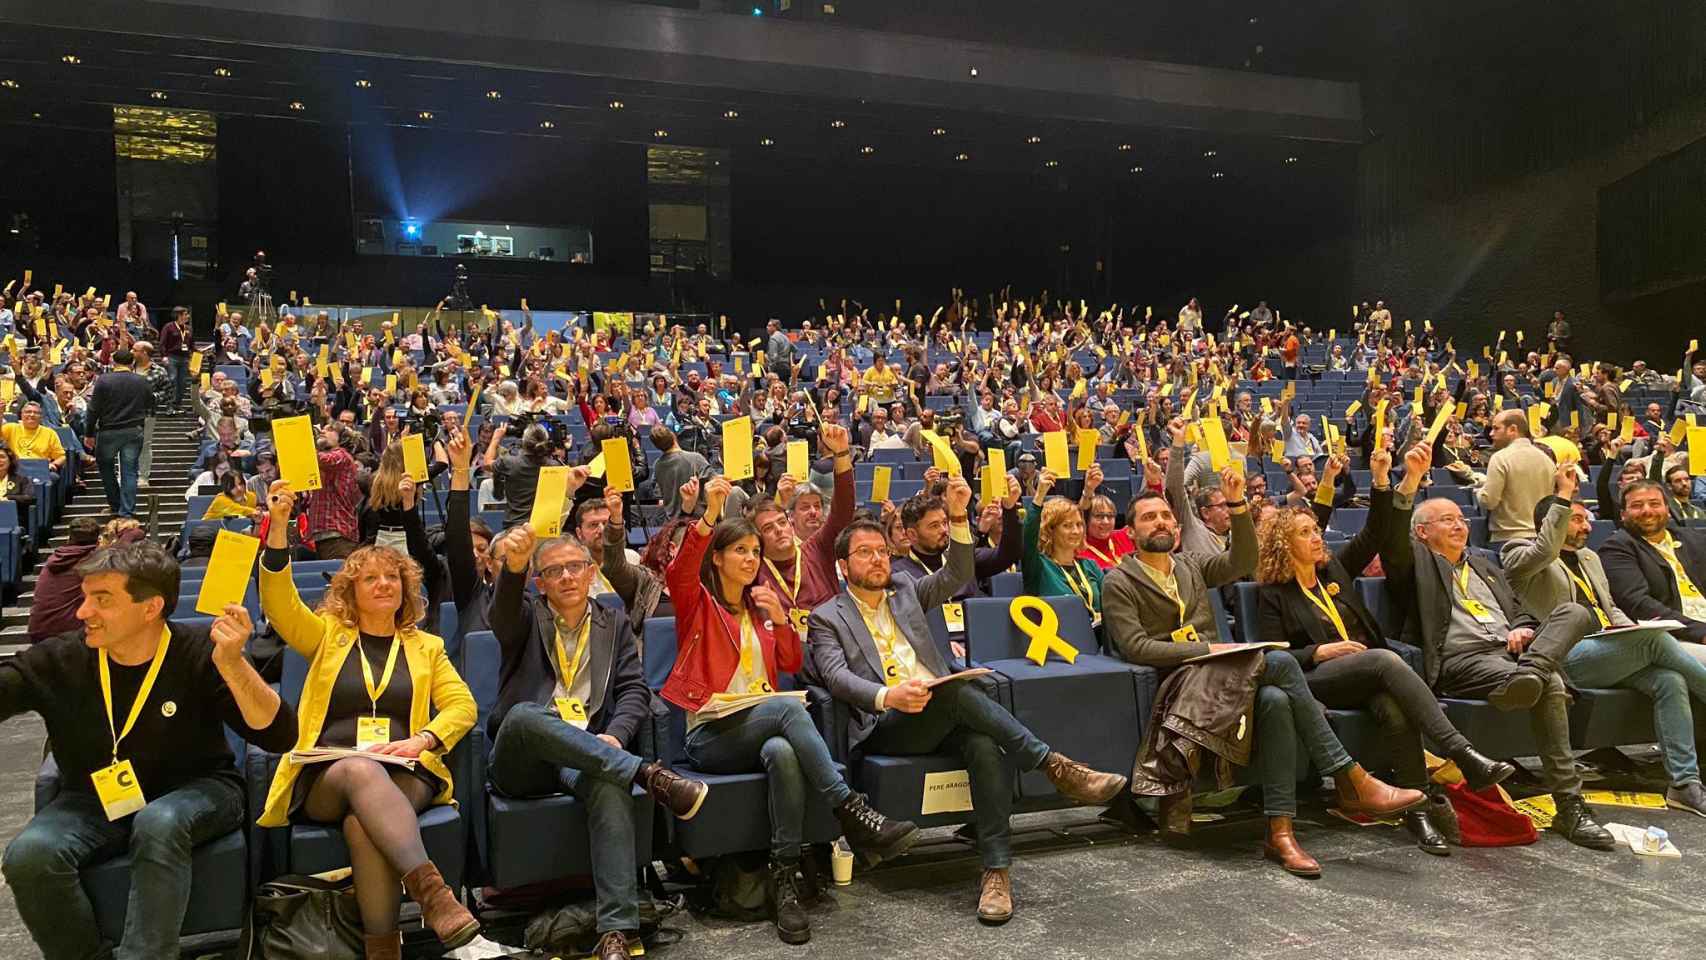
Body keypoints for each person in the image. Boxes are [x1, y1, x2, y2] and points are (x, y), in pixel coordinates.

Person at [810, 500, 1128, 924]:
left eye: (883, 551)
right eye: (865, 552)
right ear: (843, 567)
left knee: (982, 743)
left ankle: (996, 872)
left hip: (938, 709)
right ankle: (1052, 765)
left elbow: (958, 574)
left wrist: (960, 518)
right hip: (887, 721)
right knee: (954, 693)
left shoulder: (905, 590)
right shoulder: (826, 617)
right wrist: (889, 696)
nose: (878, 559)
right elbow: (835, 678)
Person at [1101, 466, 1425, 876]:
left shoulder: (1192, 565)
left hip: (1226, 674)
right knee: (1281, 660)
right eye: (1149, 517)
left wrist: (1237, 505)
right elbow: (1137, 646)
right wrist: (1209, 647)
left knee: (1275, 699)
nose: (1161, 521)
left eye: (1165, 515)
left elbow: (1244, 560)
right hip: (1183, 682)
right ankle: (1349, 777)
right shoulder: (1119, 581)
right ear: (1130, 532)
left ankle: (1281, 831)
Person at [0, 541, 295, 960]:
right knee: (29, 855)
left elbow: (279, 736)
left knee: (159, 820)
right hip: (94, 801)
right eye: (84, 598)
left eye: (101, 600)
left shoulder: (197, 652)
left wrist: (234, 666)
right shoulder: (62, 657)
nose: (83, 612)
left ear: (150, 607)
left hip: (202, 789)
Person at [662, 475, 918, 944]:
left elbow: (792, 664)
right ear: (717, 558)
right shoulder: (697, 605)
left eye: (754, 553)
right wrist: (707, 514)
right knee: (787, 714)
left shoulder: (762, 608)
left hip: (762, 727)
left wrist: (780, 623)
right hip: (711, 735)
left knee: (782, 750)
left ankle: (784, 880)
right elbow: (679, 571)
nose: (750, 559)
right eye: (739, 551)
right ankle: (849, 808)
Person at [1255, 444, 1515, 853]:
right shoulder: (1272, 593)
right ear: (1283, 546)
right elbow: (1272, 653)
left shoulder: (1335, 569)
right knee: (1383, 659)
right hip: (1316, 680)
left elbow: (1376, 532)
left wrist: (1381, 480)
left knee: (1394, 710)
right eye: (1305, 534)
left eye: (1316, 531)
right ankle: (1462, 754)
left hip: (1366, 671)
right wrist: (1321, 652)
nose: (1317, 538)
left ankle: (1417, 811)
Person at [259, 481, 480, 959]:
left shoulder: (428, 648)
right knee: (361, 770)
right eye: (370, 579)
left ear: (405, 588)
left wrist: (423, 739)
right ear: (351, 592)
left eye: (392, 577)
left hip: (404, 770)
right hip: (330, 773)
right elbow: (279, 605)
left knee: (365, 824)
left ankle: (384, 951)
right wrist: (278, 527)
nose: (383, 585)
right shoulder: (328, 637)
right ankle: (434, 895)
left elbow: (463, 706)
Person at [486, 516, 709, 960]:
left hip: (587, 752)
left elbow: (633, 691)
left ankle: (616, 933)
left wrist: (613, 736)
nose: (567, 576)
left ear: (592, 571)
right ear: (540, 582)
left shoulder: (615, 621)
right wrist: (512, 569)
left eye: (575, 566)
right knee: (525, 715)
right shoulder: (526, 617)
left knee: (608, 785)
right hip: (525, 758)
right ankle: (647, 773)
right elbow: (502, 613)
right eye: (553, 571)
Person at [1381, 488, 1613, 849]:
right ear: (1422, 532)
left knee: (1577, 613)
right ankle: (1569, 805)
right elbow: (1391, 539)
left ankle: (1531, 672)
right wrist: (1405, 485)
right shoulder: (1415, 565)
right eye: (1447, 520)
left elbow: (1518, 608)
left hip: (1512, 654)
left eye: (1460, 518)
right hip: (1462, 660)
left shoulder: (1486, 564)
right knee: (1550, 683)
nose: (1459, 525)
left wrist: (1523, 627)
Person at [1501, 470, 1706, 815]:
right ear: (1553, 520)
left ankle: (1684, 784)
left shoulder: (1590, 558)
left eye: (1587, 519)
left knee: (1669, 680)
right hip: (1564, 656)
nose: (1587, 527)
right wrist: (1564, 495)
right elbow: (1544, 549)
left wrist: (1629, 631)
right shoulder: (1518, 554)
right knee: (1655, 641)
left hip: (1609, 650)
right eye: (1577, 519)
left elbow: (1611, 609)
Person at [748, 422, 855, 639]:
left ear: (789, 523)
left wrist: (842, 454)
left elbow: (842, 511)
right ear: (758, 540)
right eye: (768, 528)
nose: (779, 530)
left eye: (781, 522)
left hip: (833, 647)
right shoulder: (753, 568)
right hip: (782, 657)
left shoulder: (816, 549)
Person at [1600, 479, 1706, 649]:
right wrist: (1701, 632)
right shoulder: (1617, 548)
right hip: (1675, 635)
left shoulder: (1694, 539)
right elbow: (1638, 604)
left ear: (1668, 510)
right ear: (1623, 514)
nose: (1647, 511)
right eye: (1637, 505)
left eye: (1654, 504)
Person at [1021, 470, 1105, 630]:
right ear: (1050, 530)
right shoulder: (1039, 566)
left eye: (1079, 525)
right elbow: (1028, 537)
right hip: (1060, 643)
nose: (1076, 531)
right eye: (1067, 526)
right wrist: (1039, 496)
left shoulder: (1090, 566)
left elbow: (1110, 603)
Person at [85, 349, 155, 519]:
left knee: (106, 469)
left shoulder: (103, 380)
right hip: (133, 430)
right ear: (132, 363)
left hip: (108, 430)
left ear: (113, 362)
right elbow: (151, 403)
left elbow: (93, 409)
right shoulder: (142, 380)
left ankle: (115, 504)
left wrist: (89, 433)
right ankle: (127, 511)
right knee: (130, 471)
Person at [1475, 409, 1555, 543]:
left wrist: (1478, 491)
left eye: (1496, 428)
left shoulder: (1500, 458)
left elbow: (1489, 501)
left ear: (1512, 429)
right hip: (1541, 539)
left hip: (1507, 538)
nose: (1491, 433)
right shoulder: (1547, 460)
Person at [3, 401, 66, 473]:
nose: (32, 415)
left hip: (39, 470)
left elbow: (62, 457)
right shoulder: (10, 428)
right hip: (15, 469)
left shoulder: (50, 433)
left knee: (53, 477)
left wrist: (53, 465)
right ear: (21, 415)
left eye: (36, 413)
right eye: (28, 412)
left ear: (41, 417)